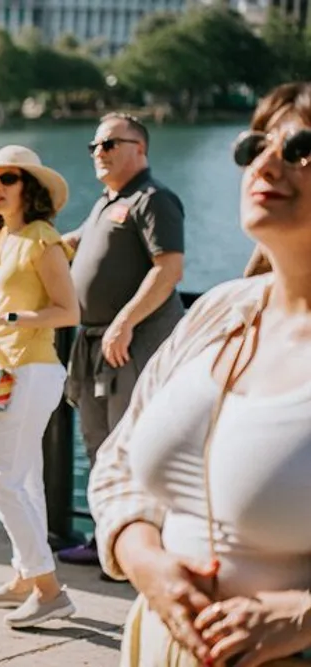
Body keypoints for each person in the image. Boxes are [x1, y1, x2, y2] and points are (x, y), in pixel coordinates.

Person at [88, 81, 311, 667]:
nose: (266, 162)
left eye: (302, 147)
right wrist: (145, 560)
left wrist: (301, 617)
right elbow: (118, 460)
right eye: (256, 144)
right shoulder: (220, 310)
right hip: (155, 644)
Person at [0, 145, 80, 627]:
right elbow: (6, 307)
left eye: (8, 177)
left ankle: (49, 588)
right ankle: (26, 577)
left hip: (34, 369)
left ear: (30, 187)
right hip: (7, 371)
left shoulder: (43, 240)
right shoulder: (7, 237)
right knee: (24, 480)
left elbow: (68, 312)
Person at [59, 112, 186, 569]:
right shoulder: (105, 203)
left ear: (140, 149)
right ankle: (108, 537)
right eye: (94, 145)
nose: (100, 152)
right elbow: (76, 245)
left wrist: (124, 321)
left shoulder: (153, 199)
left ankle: (152, 551)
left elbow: (169, 268)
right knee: (101, 446)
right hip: (96, 346)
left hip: (132, 345)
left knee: (134, 446)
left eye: (110, 144)